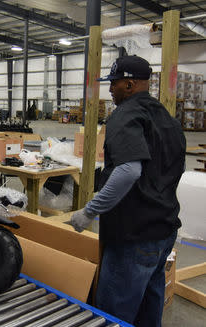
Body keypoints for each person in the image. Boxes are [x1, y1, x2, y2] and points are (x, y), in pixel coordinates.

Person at [70, 55, 186, 327]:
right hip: (164, 232)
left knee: (113, 316)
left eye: (115, 83)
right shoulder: (168, 120)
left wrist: (90, 211)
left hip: (134, 237)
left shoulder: (124, 115)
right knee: (149, 310)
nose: (110, 89)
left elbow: (129, 170)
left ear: (131, 85)